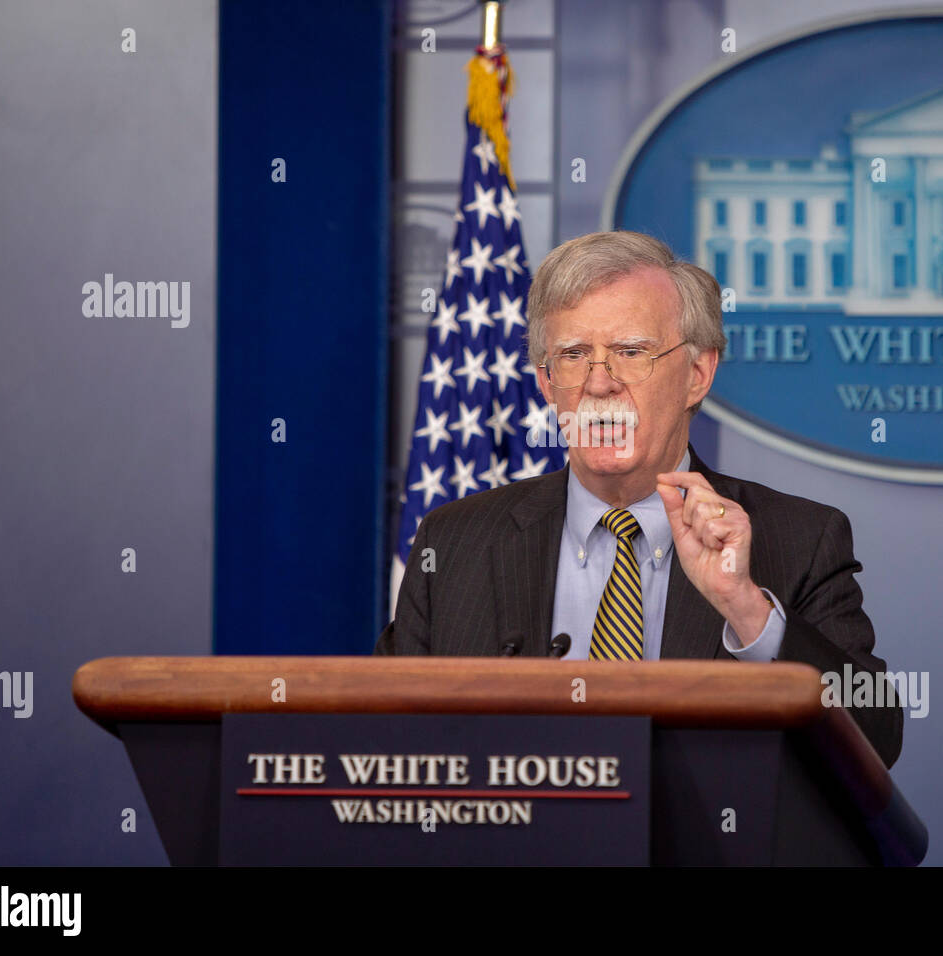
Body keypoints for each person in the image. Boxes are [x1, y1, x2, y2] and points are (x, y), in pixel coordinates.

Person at [377, 231, 902, 767]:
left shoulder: (800, 538)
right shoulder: (454, 543)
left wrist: (746, 609)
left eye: (631, 352)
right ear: (546, 382)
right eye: (574, 355)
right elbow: (387, 748)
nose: (599, 383)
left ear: (698, 374)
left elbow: (876, 739)